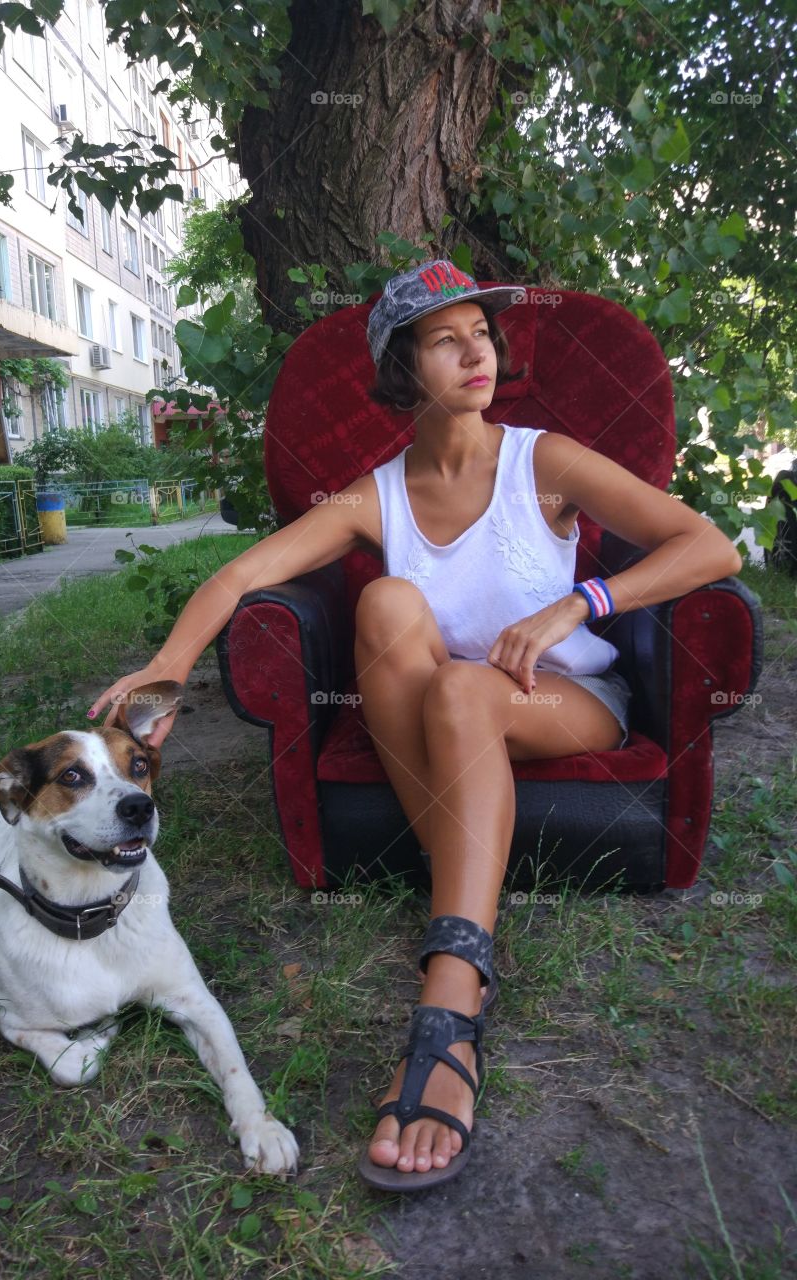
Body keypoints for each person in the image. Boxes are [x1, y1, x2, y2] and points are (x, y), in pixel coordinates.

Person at [87, 258, 743, 1192]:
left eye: (483, 334)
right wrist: (168, 666)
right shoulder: (374, 496)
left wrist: (581, 603)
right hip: (444, 725)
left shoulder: (543, 458)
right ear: (404, 369)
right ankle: (471, 876)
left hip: (569, 704)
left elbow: (706, 543)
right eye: (447, 340)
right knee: (389, 604)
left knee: (467, 688)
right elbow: (242, 576)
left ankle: (451, 993)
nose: (478, 353)